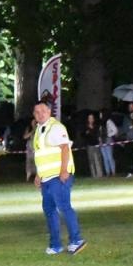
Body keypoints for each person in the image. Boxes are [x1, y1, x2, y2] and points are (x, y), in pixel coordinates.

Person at [32, 99, 87, 256]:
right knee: (49, 210)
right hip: (46, 178)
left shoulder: (55, 127)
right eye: (37, 112)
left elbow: (64, 148)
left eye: (43, 111)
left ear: (49, 112)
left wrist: (64, 171)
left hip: (58, 176)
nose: (40, 114)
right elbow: (41, 155)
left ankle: (76, 240)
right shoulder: (39, 130)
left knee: (63, 206)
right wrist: (38, 174)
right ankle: (55, 244)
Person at [79, 111, 104, 178]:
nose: (91, 119)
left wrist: (100, 140)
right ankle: (94, 175)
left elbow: (98, 134)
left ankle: (100, 174)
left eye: (92, 118)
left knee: (98, 159)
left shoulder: (96, 126)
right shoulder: (85, 127)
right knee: (91, 160)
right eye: (89, 118)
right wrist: (86, 133)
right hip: (89, 145)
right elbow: (82, 135)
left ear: (93, 119)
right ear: (88, 119)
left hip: (96, 145)